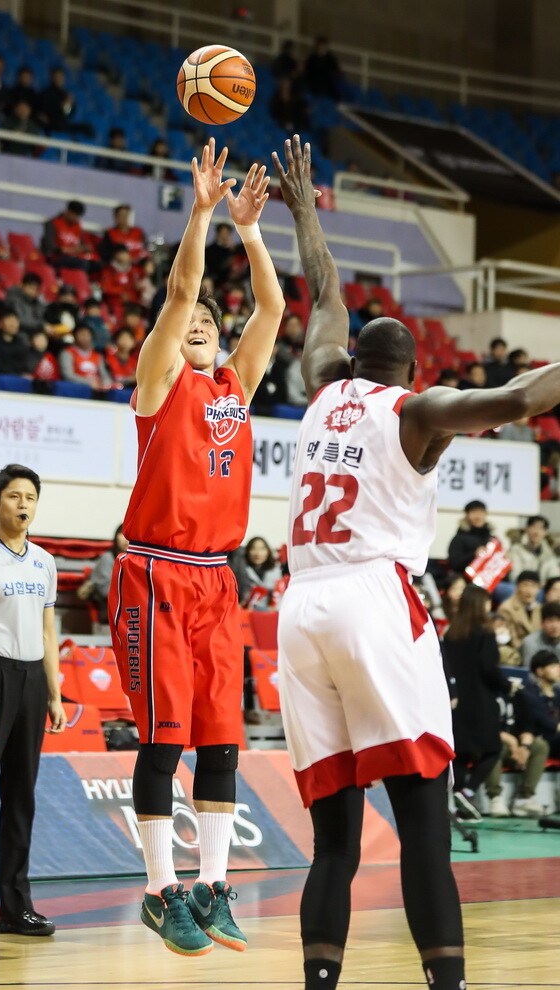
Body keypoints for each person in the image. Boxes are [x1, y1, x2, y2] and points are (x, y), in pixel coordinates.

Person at [271, 133, 560, 990]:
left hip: (301, 609)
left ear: (351, 358)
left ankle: (320, 981)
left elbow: (325, 291)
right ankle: (448, 983)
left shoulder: (322, 384)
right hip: (371, 596)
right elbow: (518, 397)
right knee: (424, 824)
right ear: (412, 370)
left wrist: (305, 214)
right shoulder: (416, 410)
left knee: (333, 843)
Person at [108, 138, 283, 956]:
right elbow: (183, 291)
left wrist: (251, 231)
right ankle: (159, 890)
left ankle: (212, 886)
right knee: (164, 739)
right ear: (173, 338)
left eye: (213, 323)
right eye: (193, 325)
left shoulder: (235, 388)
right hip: (155, 573)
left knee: (221, 743)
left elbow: (271, 311)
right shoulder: (158, 382)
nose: (204, 326)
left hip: (217, 581)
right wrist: (205, 213)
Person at [0, 464, 66, 941]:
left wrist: (54, 694)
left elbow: (48, 633)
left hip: (31, 682)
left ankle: (15, 908)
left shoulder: (44, 561)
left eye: (30, 497)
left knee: (21, 797)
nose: (23, 505)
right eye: (14, 496)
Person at [442, 585, 509, 821]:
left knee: (460, 753)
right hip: (481, 700)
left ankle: (462, 803)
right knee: (494, 749)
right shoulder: (485, 632)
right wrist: (506, 685)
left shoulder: (451, 632)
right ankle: (468, 792)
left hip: (456, 700)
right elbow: (488, 668)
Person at [484, 683, 549, 818]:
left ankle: (524, 799)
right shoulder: (487, 694)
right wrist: (512, 742)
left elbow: (528, 725)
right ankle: (495, 797)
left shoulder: (519, 696)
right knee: (495, 746)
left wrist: (525, 747)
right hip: (495, 742)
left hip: (516, 747)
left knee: (540, 746)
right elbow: (485, 726)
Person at [78, 525, 128, 618]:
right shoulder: (108, 558)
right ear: (116, 537)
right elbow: (105, 591)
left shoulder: (137, 560)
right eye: (122, 534)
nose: (126, 539)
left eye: (128, 535)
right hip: (109, 609)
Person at [521, 650, 560, 760]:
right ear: (540, 671)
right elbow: (544, 721)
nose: (558, 669)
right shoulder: (530, 694)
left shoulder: (558, 693)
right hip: (542, 739)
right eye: (553, 666)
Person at [230, 536, 283, 608]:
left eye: (262, 549)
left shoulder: (276, 570)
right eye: (253, 548)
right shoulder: (241, 570)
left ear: (268, 551)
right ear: (247, 551)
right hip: (246, 611)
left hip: (271, 611)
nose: (258, 553)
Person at [507, 514, 560, 585]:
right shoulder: (516, 550)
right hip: (521, 586)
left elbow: (554, 577)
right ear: (526, 529)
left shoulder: (549, 553)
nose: (536, 532)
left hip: (543, 588)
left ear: (546, 532)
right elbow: (515, 575)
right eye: (533, 527)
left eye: (541, 528)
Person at [59, 323, 111, 389]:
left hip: (96, 389)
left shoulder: (97, 355)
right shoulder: (67, 353)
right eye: (81, 334)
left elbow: (104, 374)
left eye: (87, 334)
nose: (84, 337)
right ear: (74, 336)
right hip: (75, 388)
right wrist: (89, 383)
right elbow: (68, 375)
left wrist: (106, 384)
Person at [498, 571, 542, 648]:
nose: (529, 591)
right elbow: (512, 641)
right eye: (525, 585)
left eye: (534, 586)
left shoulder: (540, 608)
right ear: (517, 587)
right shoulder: (506, 608)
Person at [447, 500, 492, 574]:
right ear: (466, 515)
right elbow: (454, 564)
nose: (478, 517)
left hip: (489, 577)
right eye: (474, 512)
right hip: (465, 577)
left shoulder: (492, 539)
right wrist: (474, 554)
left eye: (481, 513)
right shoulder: (459, 539)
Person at [0, 308, 30, 377]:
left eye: (15, 320)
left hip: (17, 378)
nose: (13, 324)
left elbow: (24, 366)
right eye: (9, 320)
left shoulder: (21, 343)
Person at [520, 601, 560, 666]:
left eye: (558, 620)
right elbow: (529, 670)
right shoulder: (530, 642)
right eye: (550, 620)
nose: (555, 626)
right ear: (542, 623)